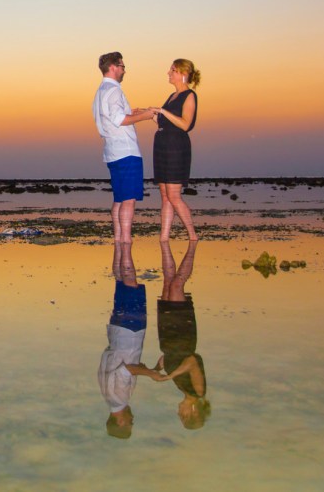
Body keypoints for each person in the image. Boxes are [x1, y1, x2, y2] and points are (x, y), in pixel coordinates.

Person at [131, 238, 211, 430]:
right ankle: (193, 245)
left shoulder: (184, 390)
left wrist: (157, 369)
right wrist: (168, 376)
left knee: (168, 284)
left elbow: (174, 360)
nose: (178, 412)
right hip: (183, 334)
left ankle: (164, 242)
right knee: (177, 286)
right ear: (192, 411)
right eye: (182, 416)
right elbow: (191, 361)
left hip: (168, 338)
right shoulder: (198, 392)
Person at [93, 52, 155, 243]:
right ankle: (126, 241)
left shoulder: (100, 91)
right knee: (128, 199)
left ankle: (119, 239)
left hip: (112, 151)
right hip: (126, 151)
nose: (124, 70)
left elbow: (111, 117)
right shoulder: (114, 91)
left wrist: (133, 112)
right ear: (113, 67)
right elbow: (120, 119)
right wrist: (146, 116)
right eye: (122, 66)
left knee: (119, 198)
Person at [98, 241, 149, 438]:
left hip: (130, 333)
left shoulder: (119, 398)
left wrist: (152, 373)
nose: (132, 420)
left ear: (120, 422)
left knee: (130, 283)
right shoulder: (107, 396)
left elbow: (126, 369)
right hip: (117, 331)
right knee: (120, 282)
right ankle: (120, 239)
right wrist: (147, 368)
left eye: (130, 424)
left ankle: (125, 242)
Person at [149, 59, 200, 242]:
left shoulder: (189, 95)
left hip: (176, 147)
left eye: (172, 70)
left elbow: (185, 124)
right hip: (162, 145)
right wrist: (154, 115)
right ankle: (164, 237)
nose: (168, 73)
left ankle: (192, 235)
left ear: (183, 73)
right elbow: (167, 122)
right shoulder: (172, 96)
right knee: (164, 195)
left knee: (173, 195)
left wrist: (164, 111)